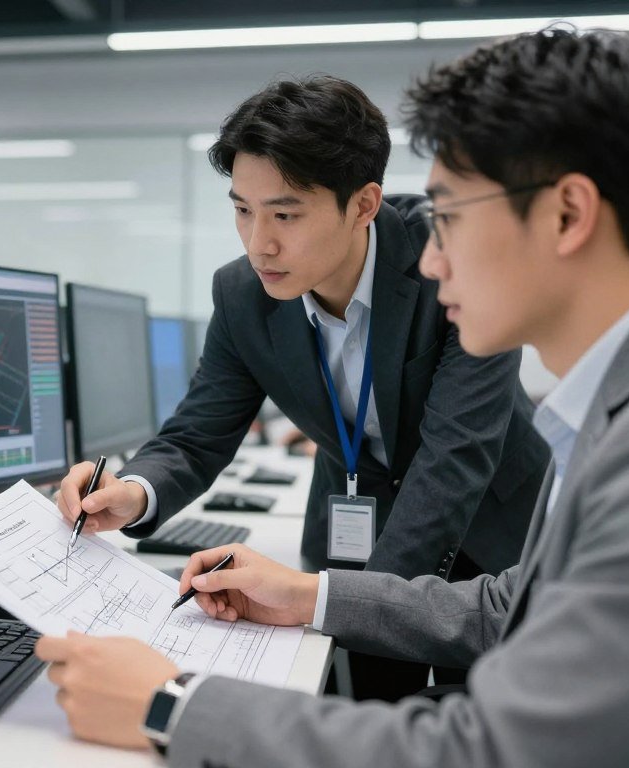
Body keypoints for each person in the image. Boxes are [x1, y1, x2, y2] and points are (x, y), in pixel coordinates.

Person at [36, 26, 629, 766]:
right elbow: (517, 609)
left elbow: (500, 750)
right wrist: (315, 594)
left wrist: (169, 705)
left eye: (446, 218)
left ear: (567, 214)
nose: (431, 262)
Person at [56, 74, 549, 701]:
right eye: (242, 210)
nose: (260, 243)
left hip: (488, 537)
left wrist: (338, 603)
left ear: (365, 206)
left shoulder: (452, 262)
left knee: (483, 724)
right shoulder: (243, 293)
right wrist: (131, 491)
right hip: (355, 534)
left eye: (285, 213)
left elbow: (456, 458)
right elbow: (199, 431)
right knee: (356, 716)